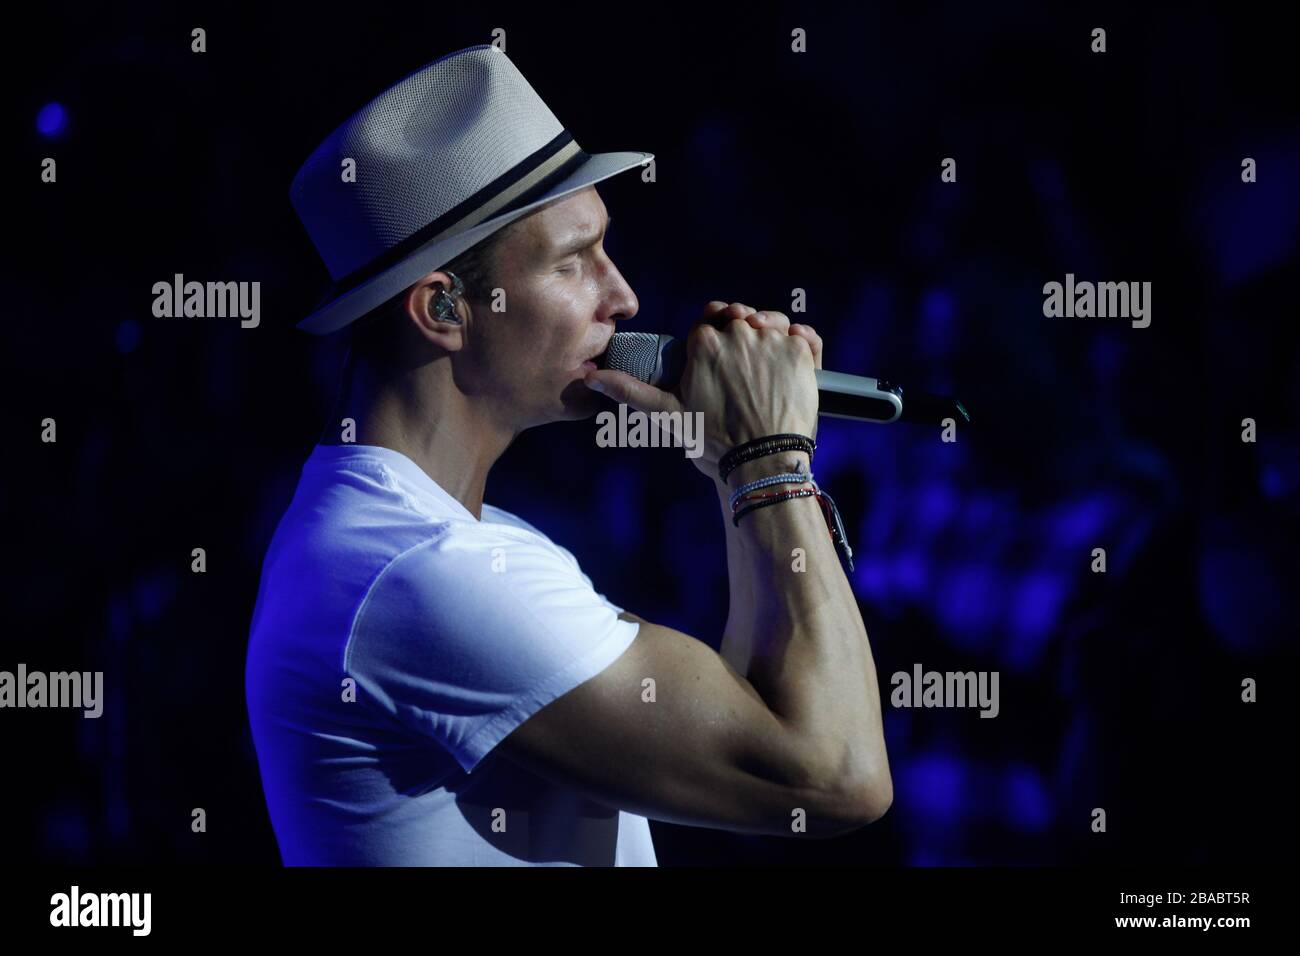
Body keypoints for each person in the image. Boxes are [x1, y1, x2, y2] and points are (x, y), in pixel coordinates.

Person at [246, 44, 891, 866]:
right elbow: (834, 773)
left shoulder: (448, 544)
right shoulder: (421, 573)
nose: (622, 296)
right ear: (443, 308)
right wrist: (767, 460)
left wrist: (735, 462)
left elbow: (757, 710)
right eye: (573, 259)